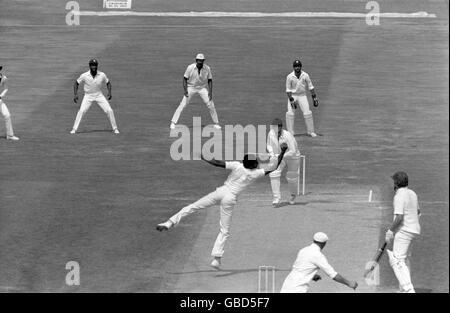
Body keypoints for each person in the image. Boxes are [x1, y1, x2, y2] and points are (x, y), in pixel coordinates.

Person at [156, 143, 289, 269]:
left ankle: (170, 222)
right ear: (254, 164)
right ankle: (216, 259)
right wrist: (282, 151)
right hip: (230, 199)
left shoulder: (238, 166)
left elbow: (217, 163)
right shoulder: (256, 173)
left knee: (193, 206)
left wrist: (203, 156)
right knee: (224, 230)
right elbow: (274, 167)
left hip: (221, 192)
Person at [280, 232, 358, 293]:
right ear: (324, 243)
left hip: (287, 286)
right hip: (298, 289)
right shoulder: (318, 255)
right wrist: (349, 283)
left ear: (314, 240)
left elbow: (300, 268)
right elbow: (333, 275)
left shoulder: (303, 250)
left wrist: (312, 275)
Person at [385, 171, 421, 293]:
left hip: (405, 231)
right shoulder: (412, 193)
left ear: (396, 183)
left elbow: (399, 217)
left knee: (397, 260)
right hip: (415, 230)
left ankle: (408, 289)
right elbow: (418, 212)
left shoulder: (399, 196)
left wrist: (390, 231)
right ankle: (402, 289)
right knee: (405, 260)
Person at [170, 53, 221, 130]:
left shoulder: (207, 68)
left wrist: (210, 92)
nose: (200, 62)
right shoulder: (190, 67)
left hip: (202, 88)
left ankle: (216, 123)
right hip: (191, 87)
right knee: (183, 104)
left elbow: (210, 80)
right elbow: (184, 79)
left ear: (203, 61)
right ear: (196, 60)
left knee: (210, 104)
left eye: (201, 61)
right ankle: (173, 123)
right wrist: (185, 90)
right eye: (199, 60)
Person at [71, 59, 119, 134]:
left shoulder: (102, 74)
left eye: (95, 65)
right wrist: (75, 94)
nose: (94, 67)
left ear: (97, 66)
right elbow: (76, 83)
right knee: (81, 111)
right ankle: (74, 129)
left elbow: (108, 83)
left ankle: (115, 128)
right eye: (92, 65)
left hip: (99, 95)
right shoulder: (84, 75)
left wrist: (109, 92)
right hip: (88, 96)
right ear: (89, 66)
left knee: (109, 110)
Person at [266, 118, 301, 206]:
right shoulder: (271, 133)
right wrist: (272, 153)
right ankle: (276, 198)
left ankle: (293, 195)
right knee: (273, 173)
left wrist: (280, 156)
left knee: (291, 178)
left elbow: (293, 150)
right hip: (280, 155)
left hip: (293, 157)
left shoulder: (287, 135)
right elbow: (269, 145)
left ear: (281, 127)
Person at [285, 59, 319, 137]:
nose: (297, 68)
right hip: (293, 96)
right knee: (290, 113)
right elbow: (288, 89)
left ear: (301, 67)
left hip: (302, 96)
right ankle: (290, 132)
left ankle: (311, 132)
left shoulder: (305, 75)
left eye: (298, 66)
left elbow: (311, 87)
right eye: (296, 66)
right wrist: (291, 100)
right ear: (293, 67)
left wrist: (314, 98)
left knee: (307, 112)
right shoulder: (289, 76)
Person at [0, 65, 20, 141]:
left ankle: (10, 135)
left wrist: (1, 95)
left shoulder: (3, 78)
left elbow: (6, 88)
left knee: (7, 115)